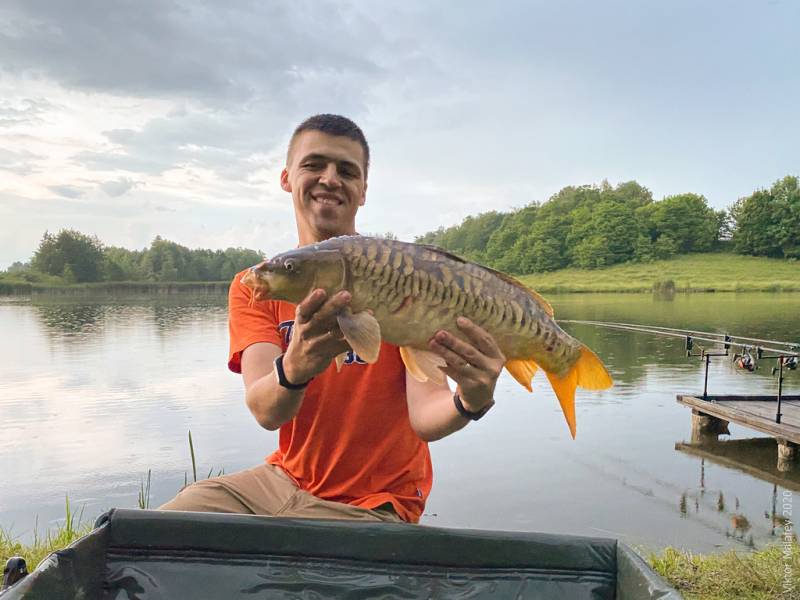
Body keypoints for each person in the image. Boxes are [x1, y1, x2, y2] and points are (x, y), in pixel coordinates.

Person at [159, 114, 505, 523]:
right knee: (167, 524)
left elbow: (426, 416)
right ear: (287, 177)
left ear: (362, 191)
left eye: (346, 171)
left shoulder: (403, 280)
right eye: (314, 165)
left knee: (304, 570)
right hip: (283, 481)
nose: (329, 179)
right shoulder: (255, 285)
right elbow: (266, 411)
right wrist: (296, 366)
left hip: (378, 501)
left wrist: (471, 401)